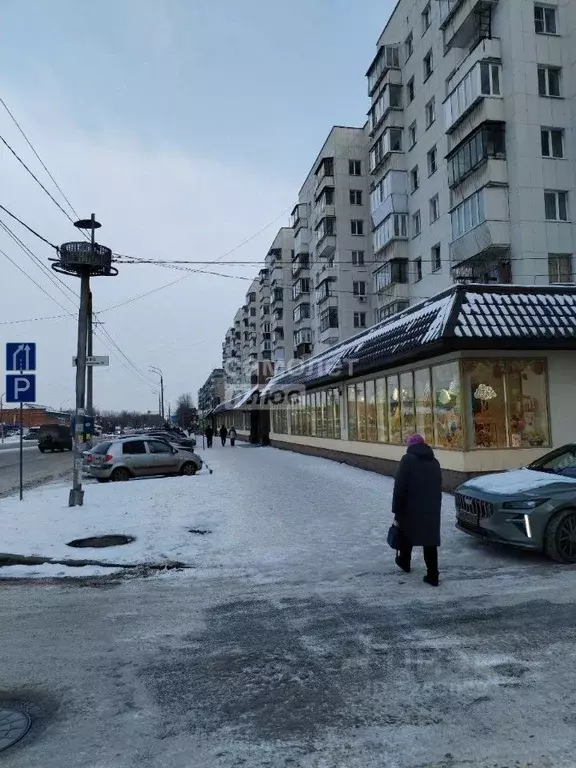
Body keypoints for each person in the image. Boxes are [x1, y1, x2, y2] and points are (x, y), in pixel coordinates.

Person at [391, 433, 442, 586]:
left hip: (410, 505)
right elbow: (439, 484)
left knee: (406, 532)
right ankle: (433, 574)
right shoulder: (435, 461)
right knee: (430, 540)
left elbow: (400, 486)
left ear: (410, 446)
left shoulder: (407, 460)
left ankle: (404, 562)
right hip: (431, 506)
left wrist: (396, 507)